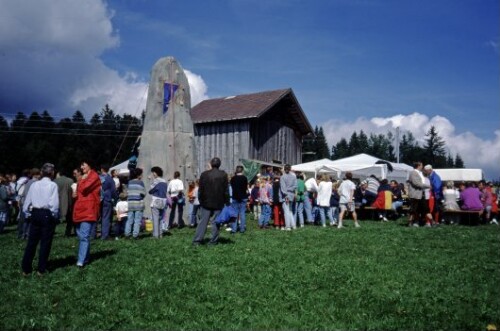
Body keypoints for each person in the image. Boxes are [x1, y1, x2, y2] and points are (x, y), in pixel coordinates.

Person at [21, 163, 59, 276]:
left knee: (31, 242)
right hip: (46, 213)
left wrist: (28, 213)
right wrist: (54, 215)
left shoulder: (34, 185)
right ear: (52, 173)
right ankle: (41, 269)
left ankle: (26, 269)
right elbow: (54, 204)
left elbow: (27, 202)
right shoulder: (53, 185)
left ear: (42, 172)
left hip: (35, 213)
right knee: (45, 243)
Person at [193, 157, 229, 246]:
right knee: (216, 222)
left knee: (203, 222)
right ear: (219, 164)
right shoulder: (223, 175)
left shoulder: (204, 174)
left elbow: (200, 190)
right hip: (218, 202)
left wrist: (201, 200)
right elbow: (226, 190)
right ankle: (213, 241)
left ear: (211, 164)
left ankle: (197, 240)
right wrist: (226, 201)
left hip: (206, 202)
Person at [73, 160, 102, 268]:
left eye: (83, 164)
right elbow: (79, 192)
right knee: (81, 235)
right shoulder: (84, 177)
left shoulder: (94, 176)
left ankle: (80, 261)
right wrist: (74, 194)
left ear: (89, 164)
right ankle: (85, 258)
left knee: (84, 236)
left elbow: (84, 188)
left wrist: (80, 180)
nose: (81, 167)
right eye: (80, 165)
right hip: (80, 209)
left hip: (89, 209)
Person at [125, 168, 146, 239]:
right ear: (138, 175)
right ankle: (135, 235)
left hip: (130, 203)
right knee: (137, 220)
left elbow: (127, 192)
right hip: (138, 203)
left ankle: (127, 234)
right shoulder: (140, 182)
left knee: (129, 219)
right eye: (141, 174)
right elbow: (143, 193)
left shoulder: (129, 182)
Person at [407, 162, 430, 227]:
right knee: (413, 210)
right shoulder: (413, 173)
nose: (422, 166)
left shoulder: (417, 173)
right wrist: (427, 186)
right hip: (415, 194)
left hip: (418, 195)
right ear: (418, 166)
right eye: (422, 165)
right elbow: (416, 183)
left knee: (415, 210)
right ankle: (410, 223)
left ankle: (412, 222)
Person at [148, 166, 168, 238]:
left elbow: (151, 190)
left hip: (156, 201)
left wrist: (150, 181)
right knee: (160, 218)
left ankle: (155, 235)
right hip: (163, 201)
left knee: (155, 218)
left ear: (156, 173)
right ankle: (160, 234)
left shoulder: (156, 181)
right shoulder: (165, 181)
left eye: (153, 172)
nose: (153, 174)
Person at [54, 170, 74, 237]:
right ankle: (67, 233)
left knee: (54, 219)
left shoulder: (55, 181)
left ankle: (52, 231)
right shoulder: (70, 181)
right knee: (69, 219)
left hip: (57, 202)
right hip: (68, 202)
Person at [230, 165, 249, 234]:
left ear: (236, 170)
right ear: (242, 170)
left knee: (234, 214)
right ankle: (242, 229)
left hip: (235, 197)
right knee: (242, 213)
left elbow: (232, 186)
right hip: (243, 197)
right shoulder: (244, 178)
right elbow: (245, 187)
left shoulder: (233, 178)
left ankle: (234, 230)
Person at [99, 165, 116, 240]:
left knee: (98, 217)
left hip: (98, 199)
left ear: (101, 169)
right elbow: (113, 190)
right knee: (106, 217)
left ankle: (93, 234)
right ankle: (105, 235)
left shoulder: (97, 178)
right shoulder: (109, 179)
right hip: (107, 199)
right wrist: (115, 198)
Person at [280, 164, 297, 231]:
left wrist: (286, 195)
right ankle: (293, 225)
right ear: (290, 169)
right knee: (290, 211)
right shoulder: (294, 176)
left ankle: (288, 226)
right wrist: (291, 190)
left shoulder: (282, 177)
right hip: (292, 194)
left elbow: (283, 188)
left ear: (284, 169)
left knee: (286, 211)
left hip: (286, 195)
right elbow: (295, 186)